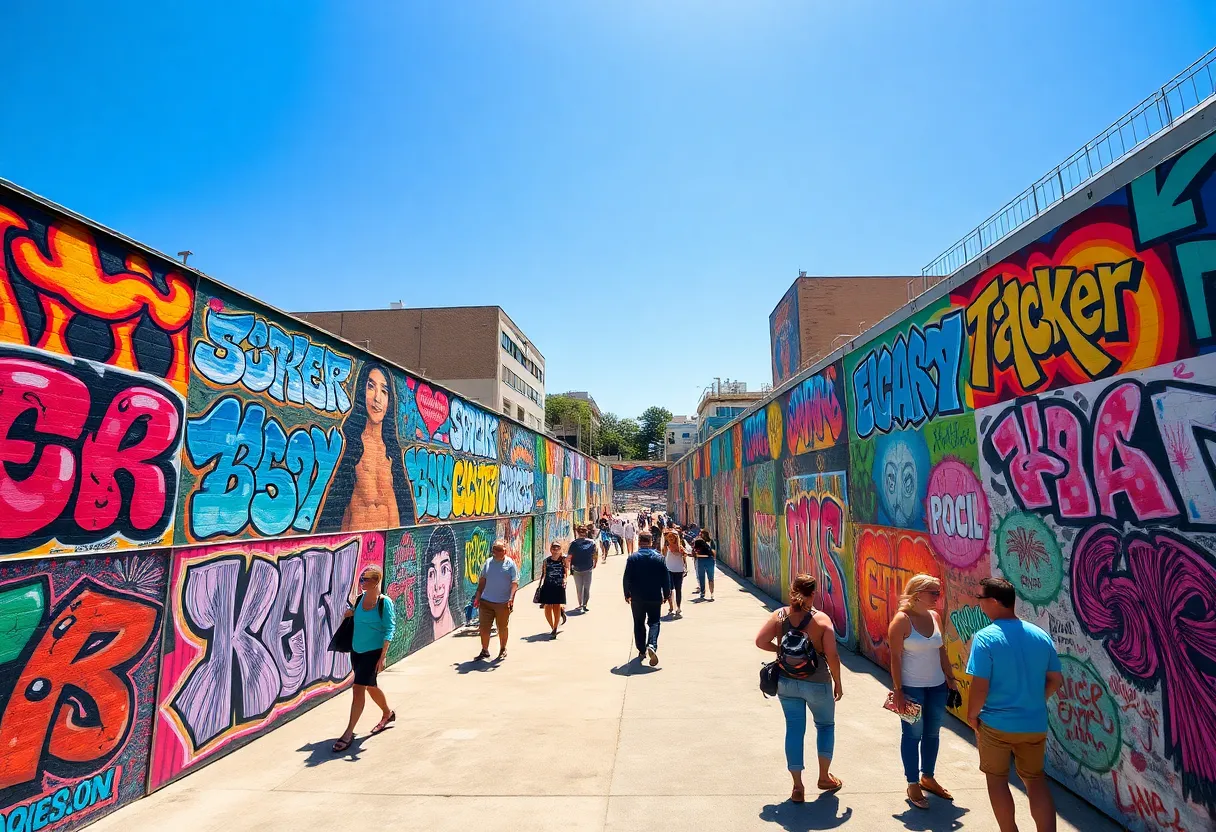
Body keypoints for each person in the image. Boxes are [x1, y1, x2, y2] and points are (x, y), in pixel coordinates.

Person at [966, 577, 1063, 832]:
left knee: (997, 780)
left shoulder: (985, 638)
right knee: (1035, 780)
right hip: (1034, 723)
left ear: (995, 602)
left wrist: (972, 716)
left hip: (996, 724)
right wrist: (1037, 700)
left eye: (981, 600)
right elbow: (1055, 679)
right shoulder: (1040, 635)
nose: (980, 605)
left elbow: (980, 685)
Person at [754, 574, 843, 803]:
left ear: (792, 590)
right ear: (814, 593)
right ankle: (824, 777)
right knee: (825, 726)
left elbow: (760, 641)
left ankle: (797, 786)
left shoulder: (780, 615)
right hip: (818, 681)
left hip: (787, 680)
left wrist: (780, 651)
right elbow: (832, 654)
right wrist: (838, 682)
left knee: (794, 730)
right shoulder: (822, 620)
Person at [887, 574, 959, 809]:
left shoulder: (936, 616)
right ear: (917, 594)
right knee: (912, 735)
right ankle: (912, 782)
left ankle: (927, 777)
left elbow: (941, 651)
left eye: (938, 593)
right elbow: (895, 658)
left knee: (932, 734)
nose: (938, 598)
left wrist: (951, 679)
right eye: (934, 593)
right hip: (911, 689)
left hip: (937, 686)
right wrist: (898, 690)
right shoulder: (901, 620)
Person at [319, 363, 414, 531]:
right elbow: (334, 504)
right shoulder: (350, 444)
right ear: (361, 392)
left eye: (384, 391)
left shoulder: (392, 451)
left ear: (389, 401)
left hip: (391, 548)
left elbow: (404, 504)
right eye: (371, 387)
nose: (378, 398)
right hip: (357, 547)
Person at [333, 565, 396, 752]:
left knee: (358, 688)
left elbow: (389, 629)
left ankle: (348, 732)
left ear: (376, 581)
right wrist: (350, 614)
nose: (361, 582)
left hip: (373, 653)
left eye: (365, 579)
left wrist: (382, 657)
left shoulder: (385, 603)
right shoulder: (359, 600)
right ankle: (388, 713)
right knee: (370, 686)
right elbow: (357, 616)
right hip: (357, 651)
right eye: (361, 579)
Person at [623, 532, 671, 666]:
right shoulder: (659, 558)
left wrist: (627, 593)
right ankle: (652, 644)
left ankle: (642, 650)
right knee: (654, 622)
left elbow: (627, 577)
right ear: (651, 542)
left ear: (639, 542)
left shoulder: (633, 558)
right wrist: (667, 593)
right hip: (654, 596)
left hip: (637, 597)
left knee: (638, 623)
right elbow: (665, 578)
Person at [472, 540, 519, 661]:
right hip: (486, 601)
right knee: (484, 627)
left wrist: (511, 598)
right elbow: (482, 581)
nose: (497, 552)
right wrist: (477, 596)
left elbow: (514, 583)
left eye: (500, 549)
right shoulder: (488, 563)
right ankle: (484, 650)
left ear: (505, 551)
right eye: (495, 549)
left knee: (502, 627)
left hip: (502, 602)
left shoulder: (510, 564)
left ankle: (503, 649)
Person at [423, 525, 458, 641]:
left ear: (452, 578)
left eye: (444, 570)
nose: (437, 586)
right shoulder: (418, 640)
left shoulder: (461, 619)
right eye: (432, 574)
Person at [537, 541, 568, 638]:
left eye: (557, 548)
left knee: (556, 606)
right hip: (548, 586)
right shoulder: (546, 561)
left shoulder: (563, 560)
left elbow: (566, 572)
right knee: (547, 607)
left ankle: (555, 628)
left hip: (559, 586)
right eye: (554, 548)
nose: (555, 550)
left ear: (560, 549)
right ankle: (553, 627)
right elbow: (544, 573)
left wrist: (565, 579)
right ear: (550, 549)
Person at [567, 525, 599, 612]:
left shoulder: (574, 544)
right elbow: (595, 554)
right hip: (587, 568)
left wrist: (568, 568)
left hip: (577, 568)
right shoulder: (592, 542)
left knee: (579, 588)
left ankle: (581, 604)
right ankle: (584, 604)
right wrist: (595, 563)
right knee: (586, 587)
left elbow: (569, 557)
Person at [662, 527, 687, 616]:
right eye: (669, 537)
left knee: (678, 589)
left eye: (672, 537)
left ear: (676, 538)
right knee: (669, 590)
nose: (671, 539)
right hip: (669, 570)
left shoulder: (680, 547)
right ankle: (671, 606)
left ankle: (678, 607)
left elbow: (685, 556)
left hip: (679, 570)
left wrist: (685, 567)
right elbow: (663, 556)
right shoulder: (666, 546)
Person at [692, 530, 716, 601]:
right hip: (700, 560)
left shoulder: (710, 542)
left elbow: (714, 552)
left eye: (701, 534)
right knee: (701, 577)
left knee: (710, 578)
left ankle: (712, 593)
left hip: (708, 560)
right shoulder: (698, 542)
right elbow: (694, 550)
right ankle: (703, 592)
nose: (700, 536)